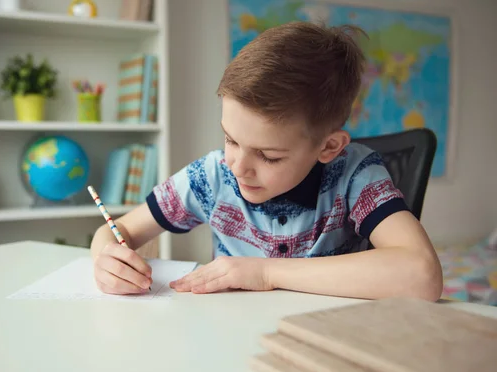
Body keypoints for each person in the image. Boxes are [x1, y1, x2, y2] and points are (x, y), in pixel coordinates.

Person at [90, 21, 443, 301]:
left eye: (269, 156)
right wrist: (106, 256)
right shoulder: (212, 175)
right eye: (230, 139)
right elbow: (115, 230)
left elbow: (421, 274)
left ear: (329, 147)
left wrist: (265, 272)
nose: (238, 166)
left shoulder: (355, 175)